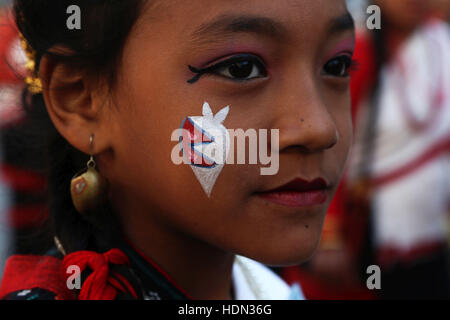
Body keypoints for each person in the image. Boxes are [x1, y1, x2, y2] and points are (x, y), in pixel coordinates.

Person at [0, 0, 356, 300]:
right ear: (80, 100)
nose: (320, 128)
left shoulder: (267, 291)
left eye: (336, 66)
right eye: (240, 68)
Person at [283, 0, 450, 299]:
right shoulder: (359, 48)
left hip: (428, 237)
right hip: (366, 237)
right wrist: (328, 237)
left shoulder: (441, 42)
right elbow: (327, 141)